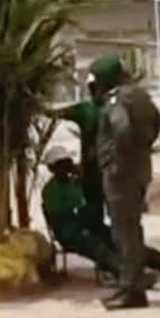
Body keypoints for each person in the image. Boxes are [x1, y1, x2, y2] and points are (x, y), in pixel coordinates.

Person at [40, 146, 160, 280]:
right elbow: (64, 218)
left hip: (86, 226)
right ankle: (128, 275)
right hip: (71, 232)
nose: (66, 168)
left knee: (123, 241)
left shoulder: (75, 184)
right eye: (61, 165)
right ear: (52, 168)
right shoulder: (51, 190)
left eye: (67, 163)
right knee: (98, 247)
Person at [95, 54, 160, 310]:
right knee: (132, 230)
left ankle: (131, 289)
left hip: (121, 175)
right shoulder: (140, 95)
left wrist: (116, 161)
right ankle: (131, 285)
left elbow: (121, 128)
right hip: (140, 170)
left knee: (124, 233)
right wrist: (143, 148)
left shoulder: (117, 99)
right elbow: (157, 121)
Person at [46, 62, 114, 227]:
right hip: (110, 169)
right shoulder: (113, 109)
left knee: (95, 211)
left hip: (95, 169)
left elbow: (54, 113)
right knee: (113, 213)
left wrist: (34, 103)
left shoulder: (85, 109)